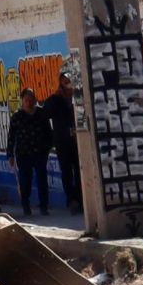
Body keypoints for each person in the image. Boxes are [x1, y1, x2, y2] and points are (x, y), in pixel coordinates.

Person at [7, 89, 53, 216]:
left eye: (31, 99)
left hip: (40, 152)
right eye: (26, 100)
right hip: (23, 153)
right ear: (22, 101)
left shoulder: (41, 114)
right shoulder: (17, 116)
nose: (28, 103)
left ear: (35, 99)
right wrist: (10, 154)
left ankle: (44, 206)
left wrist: (48, 148)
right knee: (25, 181)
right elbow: (11, 136)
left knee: (42, 179)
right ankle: (26, 206)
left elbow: (49, 132)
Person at [42, 85, 82, 216]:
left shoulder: (79, 96)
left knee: (80, 172)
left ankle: (81, 199)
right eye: (64, 82)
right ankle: (71, 201)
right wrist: (55, 96)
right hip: (63, 143)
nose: (68, 85)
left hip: (79, 142)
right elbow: (46, 113)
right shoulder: (56, 100)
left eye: (69, 82)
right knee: (66, 173)